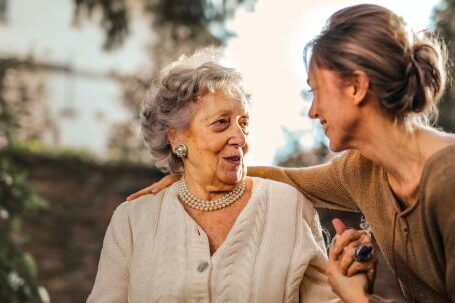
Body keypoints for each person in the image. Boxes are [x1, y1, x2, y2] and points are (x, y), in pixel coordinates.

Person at [127, 4, 455, 303]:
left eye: (316, 90)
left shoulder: (448, 180)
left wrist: (360, 301)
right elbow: (286, 178)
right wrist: (192, 171)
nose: (312, 111)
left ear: (356, 87)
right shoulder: (362, 171)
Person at [87, 49, 347, 302]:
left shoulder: (289, 207)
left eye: (243, 123)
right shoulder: (133, 220)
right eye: (221, 122)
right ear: (175, 136)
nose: (240, 138)